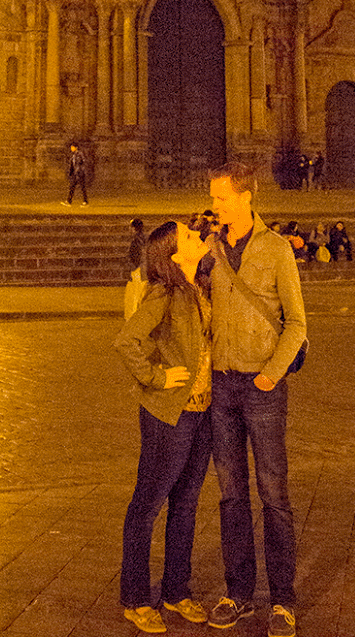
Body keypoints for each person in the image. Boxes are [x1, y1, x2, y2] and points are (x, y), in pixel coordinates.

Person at [206, 161, 305, 636]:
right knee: (230, 496)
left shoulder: (276, 249)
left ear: (247, 196)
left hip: (262, 389)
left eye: (222, 197)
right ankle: (239, 592)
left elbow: (297, 323)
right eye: (213, 197)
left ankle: (283, 599)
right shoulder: (211, 248)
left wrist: (270, 375)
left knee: (274, 495)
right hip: (221, 388)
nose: (215, 205)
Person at [114, 219, 213, 633]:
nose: (198, 234)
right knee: (148, 504)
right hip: (167, 414)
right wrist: (156, 378)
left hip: (201, 411)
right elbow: (126, 341)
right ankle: (135, 598)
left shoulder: (199, 289)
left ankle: (176, 590)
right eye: (189, 236)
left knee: (186, 504)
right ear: (174, 254)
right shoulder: (164, 293)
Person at [124, 218, 148, 320]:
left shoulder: (136, 240)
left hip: (138, 270)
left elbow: (134, 256)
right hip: (146, 269)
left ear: (133, 228)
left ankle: (134, 316)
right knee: (142, 293)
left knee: (135, 294)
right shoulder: (146, 238)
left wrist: (133, 268)